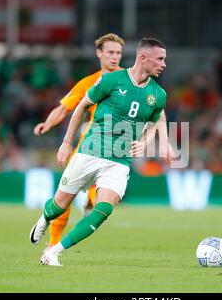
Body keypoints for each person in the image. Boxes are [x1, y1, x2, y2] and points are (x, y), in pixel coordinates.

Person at [29, 37, 172, 266]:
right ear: (143, 58)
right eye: (161, 59)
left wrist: (146, 142)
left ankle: (55, 250)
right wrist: (66, 142)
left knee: (104, 208)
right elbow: (80, 106)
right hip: (90, 151)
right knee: (58, 207)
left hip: (119, 160)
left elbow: (155, 120)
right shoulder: (110, 80)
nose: (164, 64)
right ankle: (45, 218)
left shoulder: (159, 94)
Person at [33, 33, 125, 250]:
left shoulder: (130, 79)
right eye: (110, 52)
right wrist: (48, 123)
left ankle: (90, 201)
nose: (115, 57)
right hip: (88, 147)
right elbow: (65, 108)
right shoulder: (89, 83)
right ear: (99, 54)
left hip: (117, 150)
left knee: (103, 199)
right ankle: (53, 244)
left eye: (118, 53)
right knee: (63, 199)